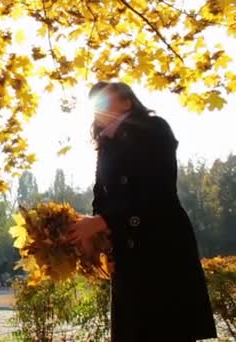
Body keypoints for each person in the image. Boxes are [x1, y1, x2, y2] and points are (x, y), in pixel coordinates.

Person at [67, 81, 217, 341]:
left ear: (127, 102)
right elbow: (101, 198)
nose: (98, 111)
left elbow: (154, 192)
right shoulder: (107, 145)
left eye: (104, 102)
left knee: (166, 331)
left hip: (161, 250)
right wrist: (101, 243)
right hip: (128, 260)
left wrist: (102, 221)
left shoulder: (153, 130)